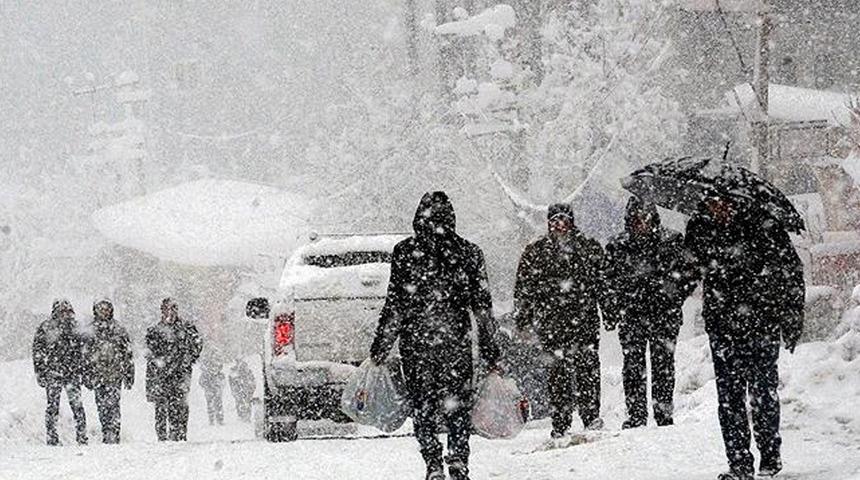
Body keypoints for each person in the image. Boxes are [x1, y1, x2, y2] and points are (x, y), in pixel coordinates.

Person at [370, 191, 501, 480]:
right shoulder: (469, 252)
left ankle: (432, 462)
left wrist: (381, 346)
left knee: (423, 405)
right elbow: (482, 307)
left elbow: (395, 304)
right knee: (457, 406)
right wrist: (490, 349)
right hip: (455, 342)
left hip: (417, 343)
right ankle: (458, 458)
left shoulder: (405, 252)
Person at [685, 196, 804, 480]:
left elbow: (790, 270)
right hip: (723, 326)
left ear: (736, 201)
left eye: (723, 203)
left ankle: (770, 455)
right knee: (729, 398)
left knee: (763, 393)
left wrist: (792, 317)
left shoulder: (763, 224)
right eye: (712, 203)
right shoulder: (701, 227)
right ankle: (739, 463)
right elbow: (688, 271)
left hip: (761, 322)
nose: (718, 208)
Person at [514, 203, 611, 438]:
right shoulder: (536, 251)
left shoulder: (588, 247)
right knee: (557, 374)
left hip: (584, 320)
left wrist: (609, 311)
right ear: (548, 223)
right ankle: (560, 422)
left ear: (571, 222)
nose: (559, 225)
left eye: (563, 220)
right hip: (551, 323)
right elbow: (524, 288)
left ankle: (591, 416)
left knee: (587, 369)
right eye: (555, 220)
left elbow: (603, 282)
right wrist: (523, 319)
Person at [603, 197, 697, 429]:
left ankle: (663, 414)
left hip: (664, 315)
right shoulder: (617, 246)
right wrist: (614, 309)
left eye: (645, 218)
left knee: (663, 365)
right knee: (633, 366)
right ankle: (636, 415)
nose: (641, 224)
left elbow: (689, 274)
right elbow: (607, 281)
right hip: (632, 315)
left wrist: (674, 298)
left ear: (653, 218)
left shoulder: (672, 241)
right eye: (636, 219)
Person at [145, 298, 203, 441]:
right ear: (162, 311)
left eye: (172, 309)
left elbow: (197, 344)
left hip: (180, 373)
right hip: (161, 374)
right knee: (161, 405)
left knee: (180, 405)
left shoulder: (187, 328)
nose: (169, 313)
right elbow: (150, 353)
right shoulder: (155, 331)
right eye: (166, 309)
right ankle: (162, 436)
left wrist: (188, 359)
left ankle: (179, 434)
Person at [32, 299, 88, 446]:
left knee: (77, 406)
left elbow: (84, 352)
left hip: (71, 373)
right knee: (52, 406)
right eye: (62, 310)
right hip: (53, 373)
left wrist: (83, 370)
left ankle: (82, 436)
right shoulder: (46, 327)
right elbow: (38, 352)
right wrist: (40, 372)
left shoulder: (76, 327)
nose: (65, 313)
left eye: (67, 310)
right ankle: (52, 437)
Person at [81, 299, 135, 443]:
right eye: (101, 309)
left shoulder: (119, 329)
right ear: (96, 311)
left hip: (114, 375)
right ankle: (106, 432)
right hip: (97, 375)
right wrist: (86, 375)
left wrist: (129, 373)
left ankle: (114, 434)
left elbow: (127, 353)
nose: (104, 312)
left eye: (107, 309)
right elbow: (84, 355)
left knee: (114, 406)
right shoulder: (90, 331)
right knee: (101, 406)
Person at [198, 346, 225, 426]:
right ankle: (218, 419)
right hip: (213, 386)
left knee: (212, 403)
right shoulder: (214, 366)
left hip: (211, 386)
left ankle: (213, 419)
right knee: (217, 403)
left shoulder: (207, 367)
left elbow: (201, 381)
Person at [228, 358, 255, 422]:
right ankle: (244, 416)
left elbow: (252, 380)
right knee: (243, 402)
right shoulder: (235, 370)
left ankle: (244, 416)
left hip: (244, 389)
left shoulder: (235, 370)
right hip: (241, 389)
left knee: (243, 402)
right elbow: (231, 380)